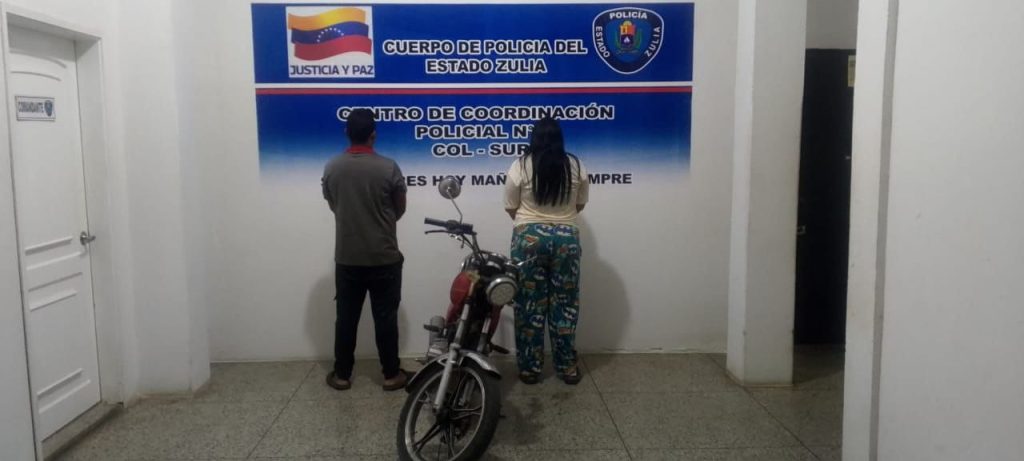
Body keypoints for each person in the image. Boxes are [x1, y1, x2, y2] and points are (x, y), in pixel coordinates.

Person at [322, 108, 409, 391]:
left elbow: (333, 204)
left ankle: (342, 375)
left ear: (346, 133)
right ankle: (391, 375)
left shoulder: (332, 167)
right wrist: (380, 221)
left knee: (346, 319)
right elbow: (399, 209)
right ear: (374, 135)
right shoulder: (389, 168)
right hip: (384, 256)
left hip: (347, 257)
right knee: (386, 319)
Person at [503, 117, 589, 385]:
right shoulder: (576, 165)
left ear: (533, 138)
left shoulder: (520, 165)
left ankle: (530, 369)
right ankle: (567, 368)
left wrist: (533, 224)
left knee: (529, 304)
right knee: (565, 304)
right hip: (566, 239)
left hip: (528, 239)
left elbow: (510, 206)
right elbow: (580, 204)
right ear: (560, 139)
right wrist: (559, 219)